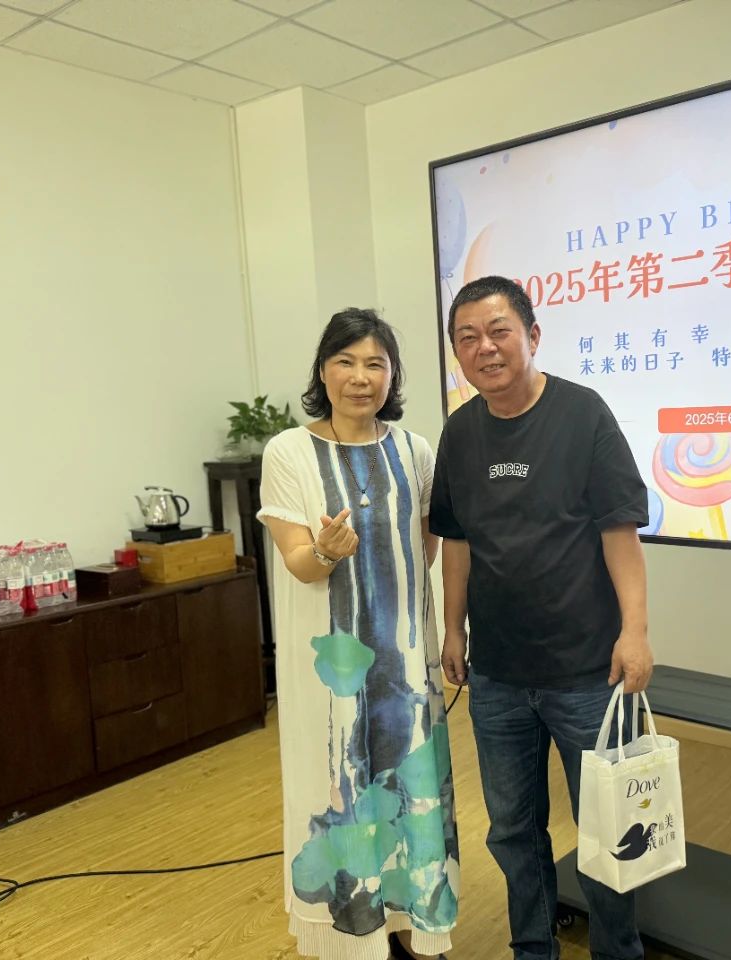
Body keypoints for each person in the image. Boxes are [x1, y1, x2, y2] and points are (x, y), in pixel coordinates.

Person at [428, 276, 653, 960]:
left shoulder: (583, 414)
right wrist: (453, 628)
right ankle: (532, 949)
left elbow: (619, 532)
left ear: (532, 335)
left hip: (587, 671)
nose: (485, 348)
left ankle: (618, 951)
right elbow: (458, 542)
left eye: (498, 331)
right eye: (467, 338)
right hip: (498, 675)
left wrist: (635, 631)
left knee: (609, 831)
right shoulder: (460, 432)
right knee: (512, 830)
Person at [258, 308, 458, 960]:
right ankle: (356, 934)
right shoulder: (289, 451)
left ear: (392, 375)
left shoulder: (414, 450)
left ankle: (412, 927)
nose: (360, 377)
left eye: (375, 364)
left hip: (405, 661)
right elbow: (298, 561)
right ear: (323, 372)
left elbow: (422, 548)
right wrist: (326, 552)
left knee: (412, 789)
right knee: (342, 787)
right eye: (345, 362)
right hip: (333, 673)